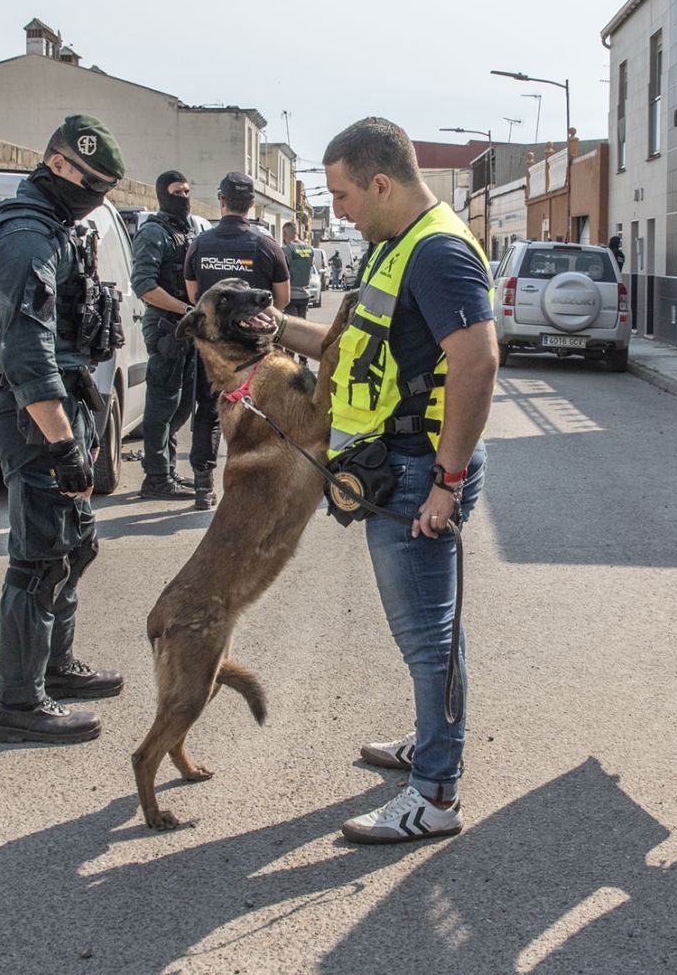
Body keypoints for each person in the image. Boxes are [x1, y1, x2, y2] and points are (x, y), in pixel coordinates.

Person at [269, 117, 497, 845]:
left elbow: (478, 362)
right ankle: (432, 746)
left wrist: (447, 483)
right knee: (432, 634)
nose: (335, 209)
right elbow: (348, 350)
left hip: (418, 474)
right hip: (396, 470)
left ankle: (434, 796)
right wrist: (272, 327)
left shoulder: (435, 252)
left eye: (340, 195)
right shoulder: (392, 249)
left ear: (380, 182)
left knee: (428, 638)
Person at [0, 115, 127, 745]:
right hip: (36, 422)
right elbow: (27, 353)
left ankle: (55, 668)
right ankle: (19, 704)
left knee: (74, 547)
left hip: (61, 412)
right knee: (38, 562)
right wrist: (64, 444)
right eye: (91, 184)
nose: (97, 200)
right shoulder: (25, 237)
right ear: (59, 165)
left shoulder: (55, 227)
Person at [182, 171, 291, 510]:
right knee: (262, 415)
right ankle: (257, 487)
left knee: (207, 412)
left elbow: (194, 298)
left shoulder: (200, 243)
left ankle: (203, 486)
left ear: (222, 201)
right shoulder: (266, 245)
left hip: (214, 351)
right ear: (252, 204)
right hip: (255, 350)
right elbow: (282, 300)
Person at [130, 170, 197, 500]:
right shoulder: (154, 232)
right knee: (162, 405)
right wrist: (184, 310)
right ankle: (156, 477)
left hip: (187, 328)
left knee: (182, 405)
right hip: (166, 328)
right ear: (162, 194)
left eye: (187, 191)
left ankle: (167, 470)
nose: (183, 196)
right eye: (177, 191)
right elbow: (144, 285)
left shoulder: (185, 230)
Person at [281, 220, 315, 322]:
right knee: (302, 322)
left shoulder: (287, 249)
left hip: (291, 294)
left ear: (284, 234)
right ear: (297, 233)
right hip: (305, 294)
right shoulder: (310, 249)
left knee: (293, 325)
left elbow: (282, 271)